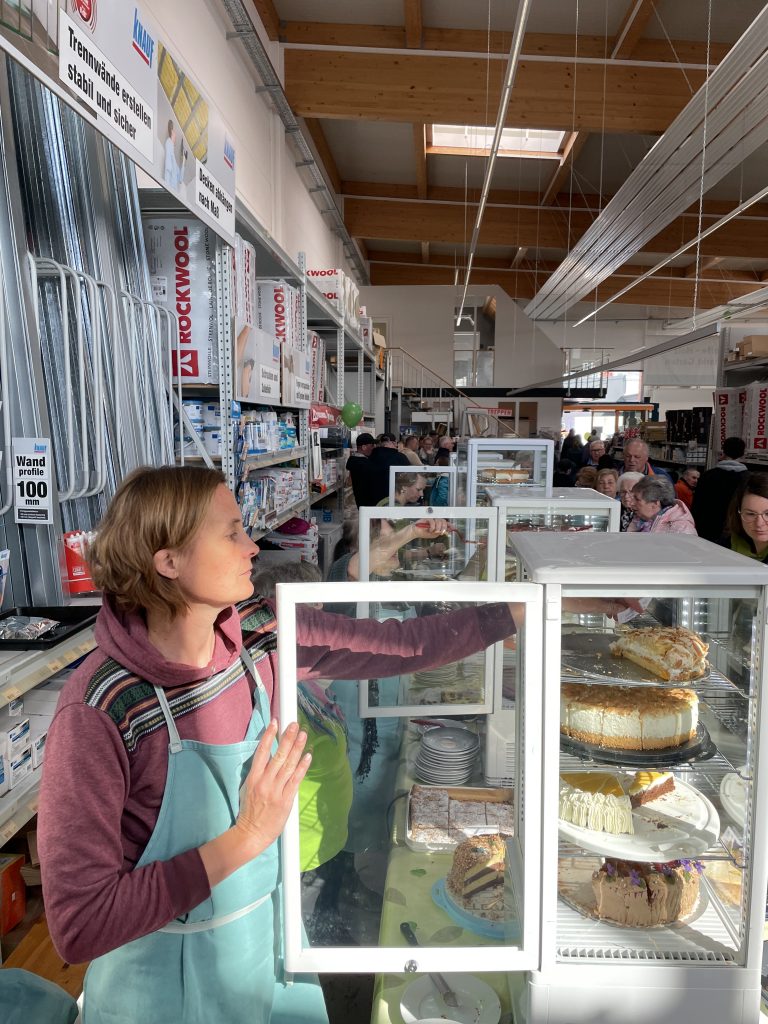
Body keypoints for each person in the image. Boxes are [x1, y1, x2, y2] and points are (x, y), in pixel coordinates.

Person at [38, 466, 524, 1024]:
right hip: (160, 990)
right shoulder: (100, 710)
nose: (252, 548)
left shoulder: (261, 632)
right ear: (168, 561)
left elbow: (401, 644)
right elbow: (81, 924)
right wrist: (248, 835)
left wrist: (534, 607)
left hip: (264, 945)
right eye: (232, 533)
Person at [692, 437, 748, 543]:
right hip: (736, 533)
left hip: (707, 531)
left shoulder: (708, 476)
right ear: (743, 453)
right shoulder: (748, 479)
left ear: (723, 451)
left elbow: (697, 506)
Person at [627, 475, 697, 535]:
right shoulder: (638, 521)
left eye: (637, 499)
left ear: (655, 503)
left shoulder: (682, 529)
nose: (632, 503)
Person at [725, 473, 768, 562]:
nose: (759, 524)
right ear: (738, 513)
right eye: (750, 514)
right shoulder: (726, 544)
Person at [368, 432, 410, 503]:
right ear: (394, 443)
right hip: (394, 499)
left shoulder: (371, 457)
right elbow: (409, 477)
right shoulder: (400, 457)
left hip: (373, 500)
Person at [346, 432, 377, 508]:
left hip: (359, 503)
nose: (374, 448)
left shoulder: (353, 461)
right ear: (364, 447)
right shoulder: (364, 464)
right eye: (372, 445)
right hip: (367, 504)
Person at [163, 120, 186, 191]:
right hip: (169, 189)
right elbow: (168, 167)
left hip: (175, 192)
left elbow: (180, 179)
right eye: (173, 132)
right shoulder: (168, 143)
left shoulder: (175, 165)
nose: (175, 134)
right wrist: (171, 129)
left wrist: (184, 161)